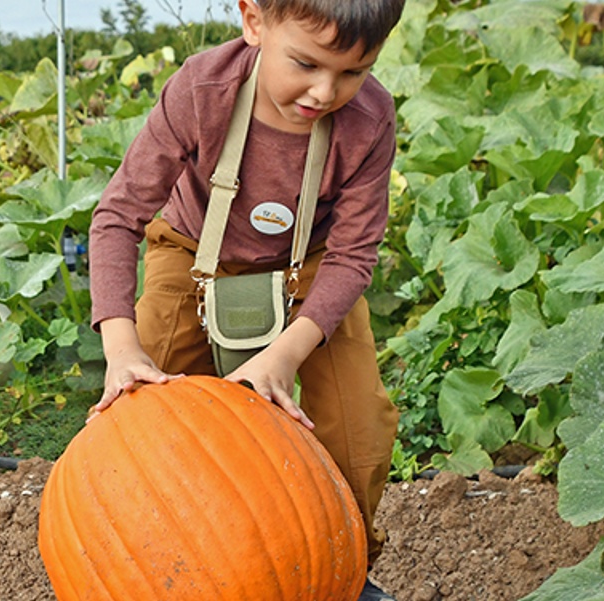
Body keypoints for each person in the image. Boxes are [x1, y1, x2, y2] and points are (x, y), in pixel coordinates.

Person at [87, 0, 405, 598]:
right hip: (191, 250)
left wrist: (283, 357)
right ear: (254, 21)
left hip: (311, 266)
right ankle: (154, 571)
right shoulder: (202, 90)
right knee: (135, 417)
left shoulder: (370, 118)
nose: (324, 90)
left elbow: (354, 256)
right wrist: (121, 347)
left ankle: (342, 573)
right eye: (306, 63)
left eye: (352, 72)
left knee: (358, 425)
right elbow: (117, 217)